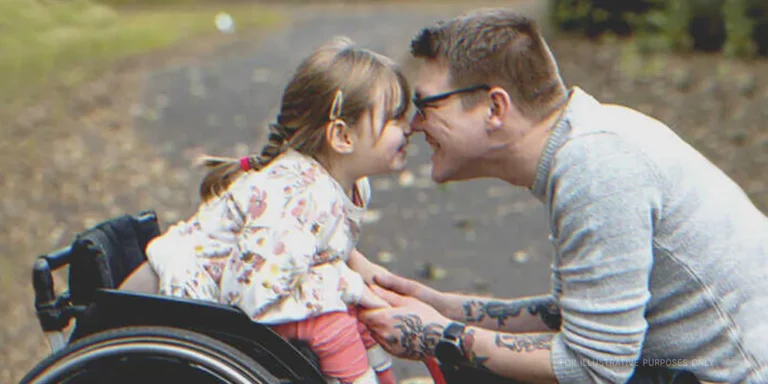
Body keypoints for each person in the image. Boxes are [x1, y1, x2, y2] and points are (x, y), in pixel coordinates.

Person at [358, 8, 768, 384]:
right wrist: (444, 306)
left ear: (494, 108)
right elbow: (578, 317)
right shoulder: (585, 145)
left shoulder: (596, 169)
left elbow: (595, 367)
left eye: (427, 105)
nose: (413, 124)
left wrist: (438, 335)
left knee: (472, 368)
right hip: (677, 368)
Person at [138, 36, 413, 384]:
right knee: (336, 322)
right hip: (183, 300)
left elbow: (319, 240)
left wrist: (359, 266)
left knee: (361, 316)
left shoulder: (350, 185)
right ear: (342, 137)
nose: (410, 127)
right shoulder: (298, 197)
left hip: (249, 282)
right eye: (394, 118)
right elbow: (252, 294)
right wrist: (346, 283)